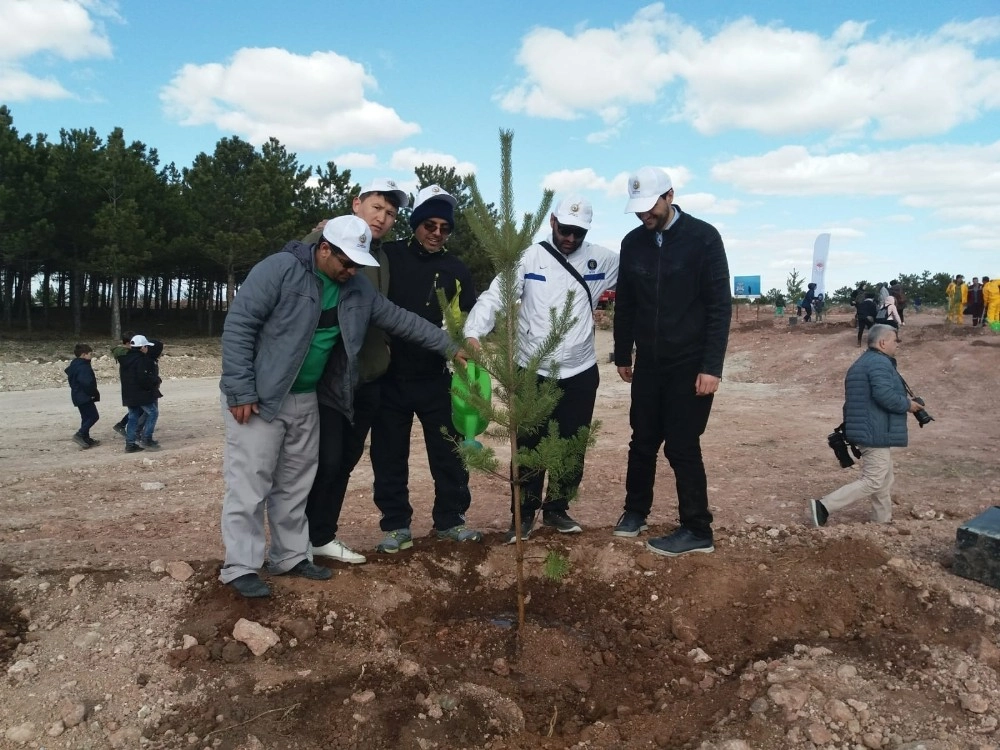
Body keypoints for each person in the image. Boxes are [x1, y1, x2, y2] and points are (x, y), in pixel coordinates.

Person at [219, 215, 464, 598]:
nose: (352, 271)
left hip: (307, 396)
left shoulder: (357, 291)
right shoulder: (280, 270)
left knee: (295, 485)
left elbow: (403, 321)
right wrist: (240, 389)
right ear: (324, 248)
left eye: (358, 265)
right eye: (346, 263)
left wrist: (452, 346)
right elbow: (240, 324)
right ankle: (240, 567)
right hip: (261, 397)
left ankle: (289, 556)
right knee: (250, 484)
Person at [464, 195, 619, 542]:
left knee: (571, 444)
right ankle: (522, 516)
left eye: (577, 233)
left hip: (579, 370)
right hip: (531, 368)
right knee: (528, 446)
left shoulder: (604, 259)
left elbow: (641, 276)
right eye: (564, 230)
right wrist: (474, 332)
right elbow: (496, 295)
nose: (570, 239)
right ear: (552, 222)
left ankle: (557, 509)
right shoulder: (527, 257)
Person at [612, 166, 731, 557]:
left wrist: (711, 367)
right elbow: (626, 302)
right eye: (638, 209)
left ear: (670, 196)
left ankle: (697, 529)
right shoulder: (633, 243)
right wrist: (622, 350)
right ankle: (635, 512)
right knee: (642, 440)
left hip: (690, 363)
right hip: (649, 362)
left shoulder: (703, 239)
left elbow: (719, 307)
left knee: (682, 445)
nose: (644, 215)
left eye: (650, 207)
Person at [303, 178, 409, 566]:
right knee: (323, 460)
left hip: (370, 379)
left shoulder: (378, 257)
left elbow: (388, 316)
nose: (382, 218)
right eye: (377, 208)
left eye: (391, 213)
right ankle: (299, 539)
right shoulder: (323, 244)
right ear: (356, 204)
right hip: (332, 381)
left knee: (345, 461)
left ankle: (321, 535)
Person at [370, 185, 479, 553]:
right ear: (416, 223)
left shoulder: (456, 269)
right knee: (388, 455)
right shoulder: (389, 256)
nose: (436, 233)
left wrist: (472, 340)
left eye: (444, 228)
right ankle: (396, 525)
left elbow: (472, 320)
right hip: (390, 378)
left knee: (449, 452)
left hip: (435, 376)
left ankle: (450, 521)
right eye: (429, 225)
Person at [809, 324, 925, 526]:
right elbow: (884, 395)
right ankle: (824, 506)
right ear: (882, 342)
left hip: (869, 428)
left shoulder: (862, 363)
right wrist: (909, 405)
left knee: (884, 478)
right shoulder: (879, 364)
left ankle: (881, 520)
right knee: (873, 480)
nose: (897, 345)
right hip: (875, 431)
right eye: (894, 341)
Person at [118, 334, 163, 452]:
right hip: (140, 394)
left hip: (128, 394)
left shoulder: (125, 359)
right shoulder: (142, 360)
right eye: (146, 346)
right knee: (153, 412)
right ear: (142, 347)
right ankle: (146, 438)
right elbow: (143, 379)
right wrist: (154, 383)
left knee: (133, 417)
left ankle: (130, 443)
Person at [66, 343, 101, 449]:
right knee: (94, 416)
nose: (91, 356)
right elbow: (86, 383)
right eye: (90, 354)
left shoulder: (75, 365)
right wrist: (93, 393)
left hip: (77, 395)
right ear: (84, 355)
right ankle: (80, 434)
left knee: (86, 417)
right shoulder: (83, 367)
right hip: (84, 396)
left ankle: (85, 438)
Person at [111, 331, 146, 437]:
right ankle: (130, 433)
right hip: (132, 387)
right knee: (137, 410)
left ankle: (123, 426)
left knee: (136, 410)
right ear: (127, 343)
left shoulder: (125, 355)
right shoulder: (127, 355)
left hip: (129, 387)